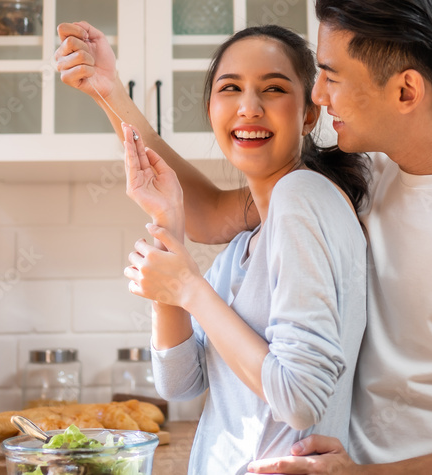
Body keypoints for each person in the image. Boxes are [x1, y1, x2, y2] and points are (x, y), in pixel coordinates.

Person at [54, 0, 432, 475]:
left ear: (406, 90)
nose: (316, 94)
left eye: (332, 76)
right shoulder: (363, 178)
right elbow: (209, 211)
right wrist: (110, 94)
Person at [115, 26, 369, 475]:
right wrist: (168, 228)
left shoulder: (304, 194)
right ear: (212, 109)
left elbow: (300, 399)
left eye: (273, 89)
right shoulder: (241, 249)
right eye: (230, 88)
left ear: (309, 114)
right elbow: (179, 383)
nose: (249, 108)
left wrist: (189, 289)